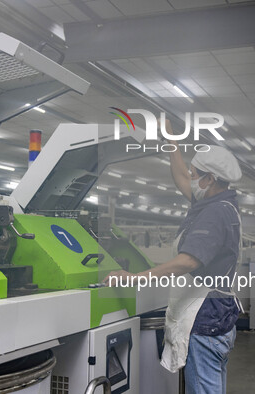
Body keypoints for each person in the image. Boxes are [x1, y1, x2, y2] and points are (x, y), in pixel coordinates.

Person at [103, 120, 243, 394]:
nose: (190, 177)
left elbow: (188, 261)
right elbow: (180, 176)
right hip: (218, 318)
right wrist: (172, 142)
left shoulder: (215, 213)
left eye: (195, 173)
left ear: (210, 179)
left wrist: (136, 279)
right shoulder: (219, 201)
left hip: (205, 322)